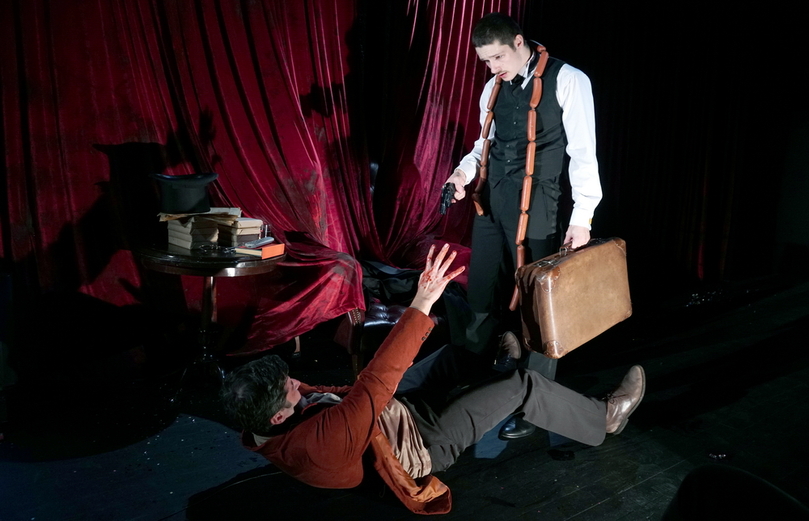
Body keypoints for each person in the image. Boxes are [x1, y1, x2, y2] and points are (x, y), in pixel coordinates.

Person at [221, 244, 645, 515]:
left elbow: (346, 396)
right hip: (422, 443)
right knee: (524, 386)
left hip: (385, 421)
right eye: (289, 387)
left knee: (450, 357)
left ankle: (496, 380)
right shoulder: (321, 441)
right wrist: (422, 302)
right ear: (278, 417)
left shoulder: (262, 423)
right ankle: (603, 419)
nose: (297, 383)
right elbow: (375, 381)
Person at [444, 13, 603, 440]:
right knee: (480, 293)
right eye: (485, 60)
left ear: (519, 42)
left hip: (540, 207)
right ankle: (473, 390)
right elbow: (483, 145)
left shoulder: (568, 79)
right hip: (493, 203)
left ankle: (536, 406)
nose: (492, 67)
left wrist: (582, 218)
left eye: (498, 57)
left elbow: (584, 153)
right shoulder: (493, 86)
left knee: (538, 307)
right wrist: (460, 176)